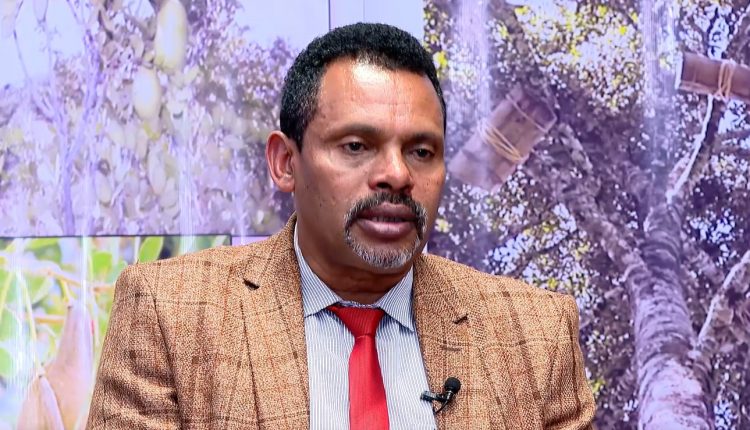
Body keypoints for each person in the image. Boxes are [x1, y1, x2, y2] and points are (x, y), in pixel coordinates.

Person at [87, 22, 595, 430]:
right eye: (356, 146)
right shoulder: (170, 314)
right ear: (286, 162)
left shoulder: (535, 335)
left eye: (421, 151)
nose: (397, 174)